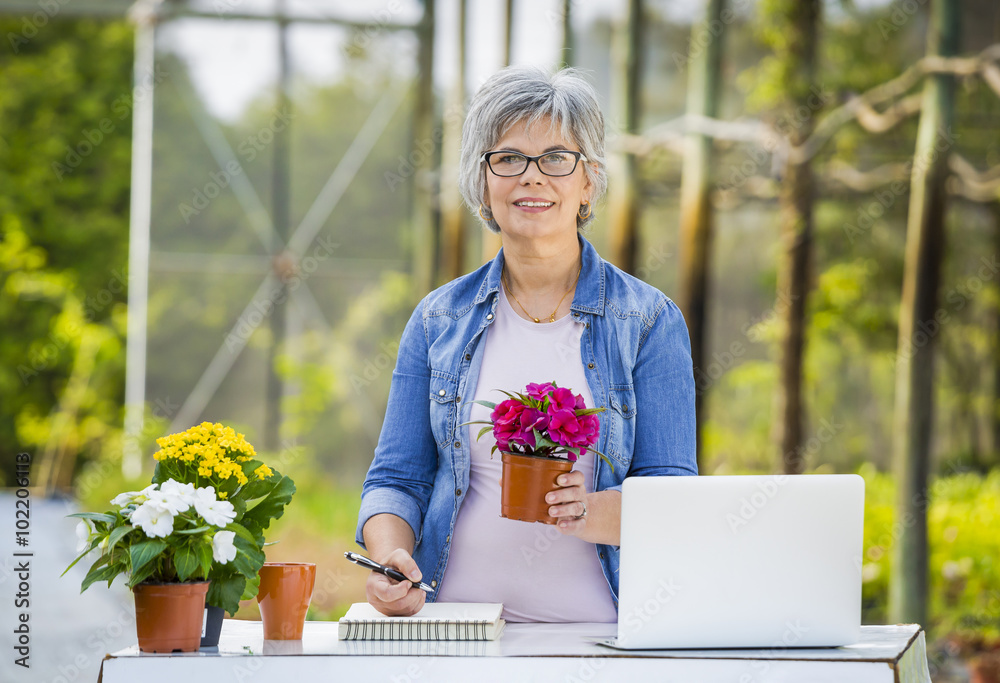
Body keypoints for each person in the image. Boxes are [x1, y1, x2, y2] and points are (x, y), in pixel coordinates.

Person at [356, 66, 696, 622]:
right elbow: (397, 479)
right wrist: (388, 557)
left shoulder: (648, 320)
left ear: (587, 182)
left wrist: (585, 511)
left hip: (601, 638)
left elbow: (673, 493)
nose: (532, 177)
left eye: (557, 158)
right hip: (455, 633)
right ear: (482, 181)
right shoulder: (438, 319)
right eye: (508, 158)